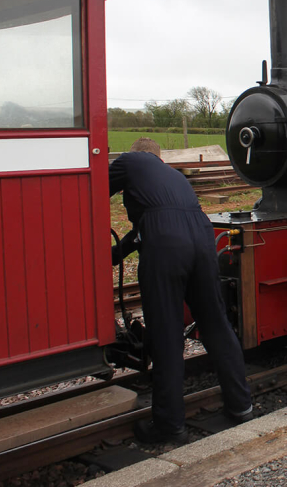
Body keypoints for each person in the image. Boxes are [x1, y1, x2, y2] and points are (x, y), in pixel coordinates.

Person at [110, 137, 254, 444]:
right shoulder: (172, 177)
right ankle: (241, 406)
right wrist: (114, 256)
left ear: (135, 155)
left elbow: (87, 191)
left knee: (166, 334)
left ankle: (169, 425)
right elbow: (144, 229)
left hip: (166, 243)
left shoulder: (131, 160)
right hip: (201, 235)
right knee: (215, 324)